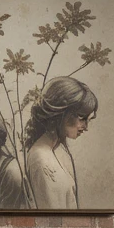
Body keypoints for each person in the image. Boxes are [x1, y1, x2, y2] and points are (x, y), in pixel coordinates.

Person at [24, 76, 98, 210]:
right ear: (61, 114)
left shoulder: (58, 150)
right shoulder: (40, 158)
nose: (86, 127)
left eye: (88, 120)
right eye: (82, 118)